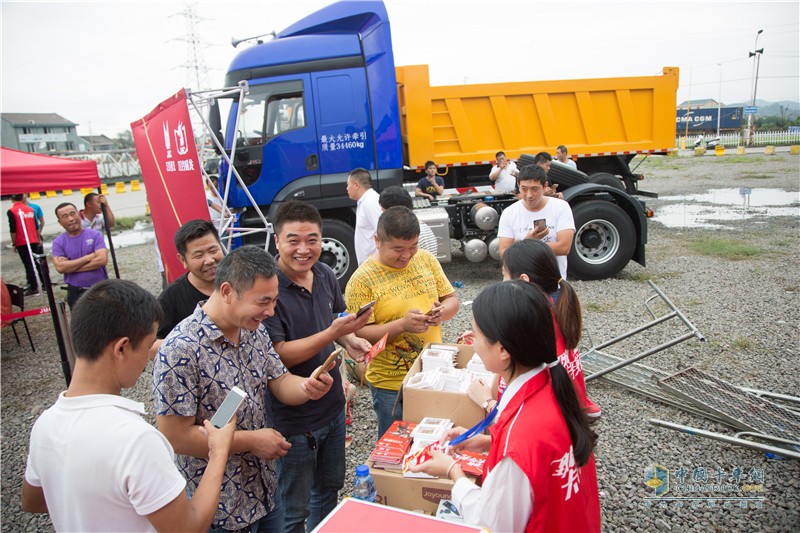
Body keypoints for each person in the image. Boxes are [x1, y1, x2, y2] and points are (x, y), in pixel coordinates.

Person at [22, 279, 236, 532]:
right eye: (147, 348)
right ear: (122, 348)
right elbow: (189, 528)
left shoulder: (45, 424)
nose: (147, 360)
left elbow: (33, 500)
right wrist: (219, 451)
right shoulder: (136, 439)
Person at [153, 245, 335, 533]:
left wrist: (307, 387)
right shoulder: (180, 350)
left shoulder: (253, 330)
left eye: (274, 301)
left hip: (265, 494)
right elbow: (176, 437)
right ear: (227, 291)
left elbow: (279, 380)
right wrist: (251, 440)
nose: (270, 311)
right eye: (263, 302)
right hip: (219, 508)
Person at [409, 280, 600, 532]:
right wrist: (489, 442)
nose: (472, 342)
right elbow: (541, 458)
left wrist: (452, 471)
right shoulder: (549, 383)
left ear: (502, 350)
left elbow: (491, 522)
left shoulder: (521, 437)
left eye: (475, 334)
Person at [264, 200, 373, 533]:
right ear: (277, 240)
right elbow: (277, 353)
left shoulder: (325, 273)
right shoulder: (267, 286)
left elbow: (333, 319)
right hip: (294, 418)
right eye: (293, 240)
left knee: (328, 490)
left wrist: (349, 340)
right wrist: (332, 332)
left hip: (333, 407)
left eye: (312, 239)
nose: (303, 249)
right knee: (293, 509)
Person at [345, 206, 459, 438]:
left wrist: (442, 311)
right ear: (377, 240)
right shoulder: (362, 280)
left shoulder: (425, 260)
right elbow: (359, 333)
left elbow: (451, 299)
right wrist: (402, 326)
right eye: (398, 249)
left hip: (434, 370)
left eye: (413, 247)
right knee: (396, 445)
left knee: (435, 439)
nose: (406, 255)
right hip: (392, 383)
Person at [469, 239, 601, 419]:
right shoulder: (555, 310)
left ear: (523, 280)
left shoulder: (532, 330)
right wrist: (485, 336)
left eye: (504, 275)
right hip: (570, 412)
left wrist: (487, 402)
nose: (502, 282)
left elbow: (523, 417)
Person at [150, 219, 225, 358]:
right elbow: (151, 347)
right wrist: (195, 343)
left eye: (213, 250)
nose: (209, 260)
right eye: (198, 255)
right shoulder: (171, 297)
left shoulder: (238, 282)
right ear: (182, 260)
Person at [497, 165, 575, 279]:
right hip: (522, 285)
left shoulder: (560, 207)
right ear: (519, 186)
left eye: (534, 189)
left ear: (545, 187)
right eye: (524, 189)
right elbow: (503, 253)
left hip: (554, 283)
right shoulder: (509, 213)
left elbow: (564, 248)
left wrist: (526, 246)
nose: (529, 195)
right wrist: (528, 241)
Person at [51, 202, 109, 308]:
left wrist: (71, 267)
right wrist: (88, 257)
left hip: (101, 290)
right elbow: (60, 267)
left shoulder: (95, 235)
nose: (71, 219)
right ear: (60, 222)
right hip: (76, 293)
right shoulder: (58, 242)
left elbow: (102, 260)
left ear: (78, 214)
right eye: (65, 216)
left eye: (73, 213)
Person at [378, 185, 438, 257]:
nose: (382, 213)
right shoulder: (423, 227)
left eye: (383, 210)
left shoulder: (408, 234)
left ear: (393, 211)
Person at [7, 194, 43, 296]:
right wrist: (38, 238)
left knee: (28, 264)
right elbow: (36, 226)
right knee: (36, 262)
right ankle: (43, 284)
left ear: (11, 199)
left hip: (22, 241)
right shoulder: (30, 209)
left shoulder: (12, 211)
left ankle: (33, 287)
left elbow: (13, 229)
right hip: (33, 239)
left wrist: (14, 243)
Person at [346, 167, 383, 265]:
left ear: (356, 185)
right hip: (369, 265)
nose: (347, 188)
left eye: (348, 184)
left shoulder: (371, 202)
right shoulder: (364, 201)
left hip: (374, 265)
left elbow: (383, 233)